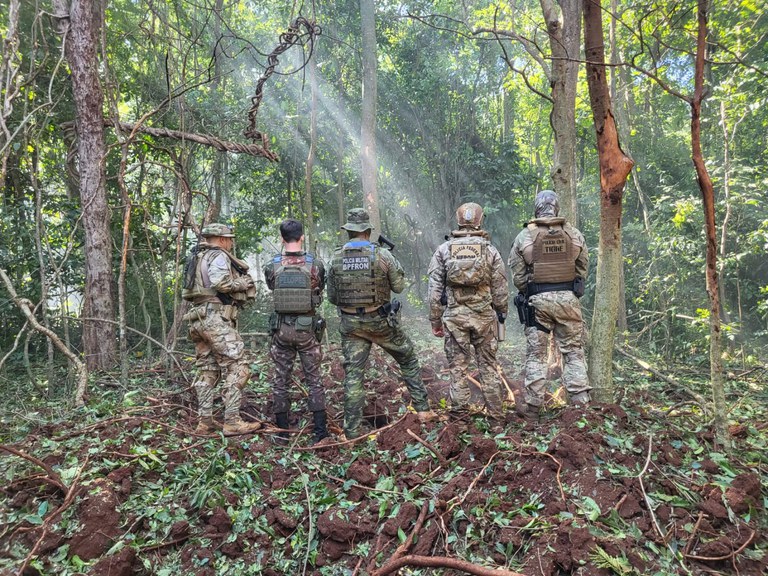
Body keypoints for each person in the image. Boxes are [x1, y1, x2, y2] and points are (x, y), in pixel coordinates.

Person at [327, 208, 434, 439]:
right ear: (367, 230)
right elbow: (398, 287)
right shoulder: (383, 256)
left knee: (353, 375)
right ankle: (424, 411)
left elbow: (333, 298)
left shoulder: (336, 257)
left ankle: (352, 431)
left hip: (351, 326)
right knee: (407, 358)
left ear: (349, 231)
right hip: (380, 322)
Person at [508, 190, 591, 423]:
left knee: (536, 355)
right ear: (556, 207)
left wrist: (531, 290)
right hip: (568, 301)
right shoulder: (573, 234)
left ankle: (533, 408)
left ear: (536, 208)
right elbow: (583, 269)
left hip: (538, 303)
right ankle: (580, 406)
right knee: (573, 352)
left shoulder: (525, 236)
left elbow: (518, 276)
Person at [427, 202, 510, 418]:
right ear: (480, 220)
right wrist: (502, 314)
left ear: (458, 220)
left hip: (455, 318)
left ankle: (460, 419)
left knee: (458, 368)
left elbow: (434, 291)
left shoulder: (444, 250)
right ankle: (496, 419)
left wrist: (435, 320)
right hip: (484, 317)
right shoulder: (490, 250)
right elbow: (500, 287)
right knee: (489, 367)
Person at [181, 223, 261, 436]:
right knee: (239, 366)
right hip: (215, 318)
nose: (231, 242)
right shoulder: (218, 256)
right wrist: (242, 284)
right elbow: (221, 283)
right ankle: (232, 421)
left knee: (207, 369)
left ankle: (205, 421)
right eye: (229, 238)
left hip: (197, 318)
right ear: (222, 239)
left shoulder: (197, 257)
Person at [263, 219, 329, 444]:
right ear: (302, 236)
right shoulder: (315, 264)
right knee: (314, 379)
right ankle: (320, 433)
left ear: (282, 239)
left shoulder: (272, 265)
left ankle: (282, 434)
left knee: (281, 379)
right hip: (306, 329)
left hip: (281, 330)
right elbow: (320, 286)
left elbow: (272, 287)